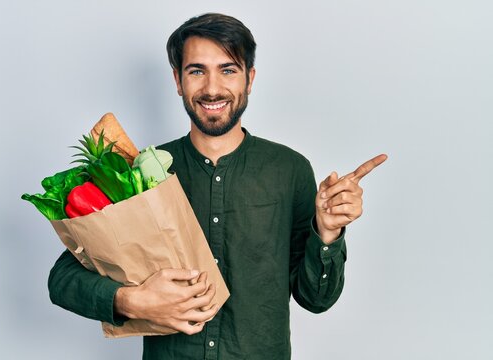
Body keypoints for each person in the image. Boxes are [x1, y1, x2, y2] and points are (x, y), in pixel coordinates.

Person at [48, 13, 387, 360]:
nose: (212, 88)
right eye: (196, 71)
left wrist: (327, 233)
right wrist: (131, 300)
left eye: (228, 70)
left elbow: (316, 299)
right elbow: (61, 279)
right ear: (178, 81)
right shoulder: (140, 173)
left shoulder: (290, 170)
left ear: (249, 79)